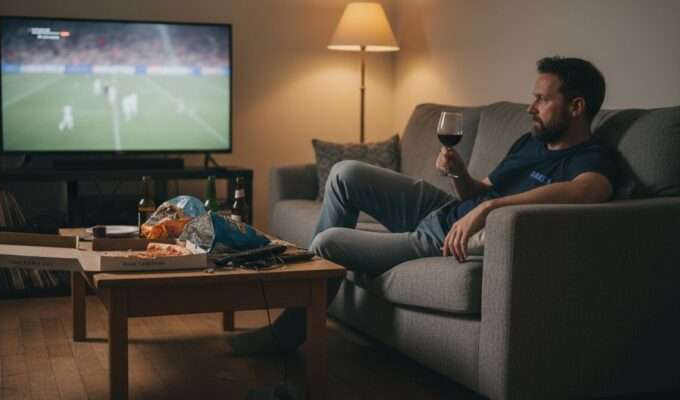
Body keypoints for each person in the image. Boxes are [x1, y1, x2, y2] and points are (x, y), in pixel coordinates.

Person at [228, 56, 618, 355]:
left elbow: (589, 192)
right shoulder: (530, 141)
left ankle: (289, 332)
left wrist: (489, 208)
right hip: (447, 210)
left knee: (329, 242)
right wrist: (460, 174)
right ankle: (304, 306)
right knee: (346, 173)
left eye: (542, 99)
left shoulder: (592, 158)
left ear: (577, 106)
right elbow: (477, 191)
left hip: (441, 238)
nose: (531, 106)